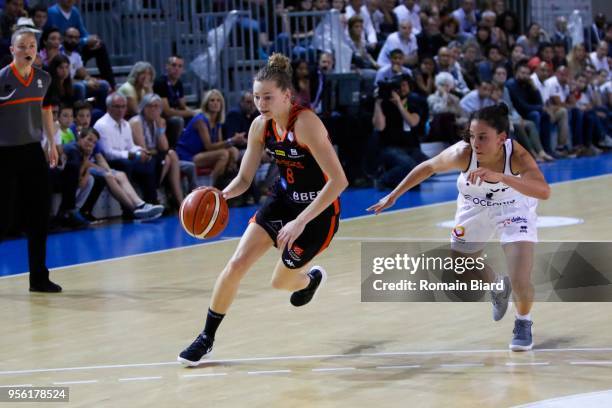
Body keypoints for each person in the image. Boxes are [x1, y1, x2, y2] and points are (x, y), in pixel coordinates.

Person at [178, 53, 348, 366]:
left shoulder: (307, 123)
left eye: (268, 97)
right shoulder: (260, 127)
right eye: (257, 97)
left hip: (318, 212)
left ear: (287, 95)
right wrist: (220, 197)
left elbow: (339, 181)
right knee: (237, 264)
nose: (261, 103)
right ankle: (206, 337)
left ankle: (309, 281)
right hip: (282, 201)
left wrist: (300, 221)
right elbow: (244, 178)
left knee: (280, 282)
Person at [368, 104, 551, 351]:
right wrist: (394, 195)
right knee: (460, 264)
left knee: (520, 276)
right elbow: (428, 167)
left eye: (483, 137)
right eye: (472, 135)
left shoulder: (516, 156)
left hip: (512, 205)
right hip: (474, 204)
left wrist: (504, 178)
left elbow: (544, 190)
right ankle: (497, 285)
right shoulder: (463, 153)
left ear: (501, 139)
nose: (475, 142)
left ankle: (523, 322)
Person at [0, 28, 61, 292]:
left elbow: (46, 110)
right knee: (3, 218)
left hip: (33, 151)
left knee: (39, 216)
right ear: (12, 50)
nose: (28, 51)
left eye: (32, 46)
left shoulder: (44, 78)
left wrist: (52, 143)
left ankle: (38, 277)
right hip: (4, 154)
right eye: (22, 46)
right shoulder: (2, 79)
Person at [129, 93, 184, 206]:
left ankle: (180, 200)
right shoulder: (136, 122)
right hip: (138, 157)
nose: (153, 109)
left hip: (154, 155)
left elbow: (164, 147)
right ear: (143, 107)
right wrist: (155, 150)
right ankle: (166, 195)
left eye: (157, 106)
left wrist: (159, 129)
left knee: (171, 155)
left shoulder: (158, 121)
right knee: (168, 159)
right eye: (150, 106)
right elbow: (143, 149)